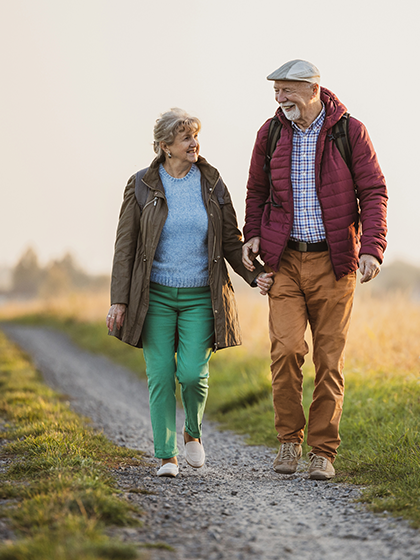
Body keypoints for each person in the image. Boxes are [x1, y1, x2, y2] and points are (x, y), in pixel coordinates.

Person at [241, 60, 388, 480]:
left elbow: (374, 191)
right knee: (286, 350)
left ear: (312, 90)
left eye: (286, 90)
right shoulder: (270, 134)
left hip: (334, 262)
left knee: (328, 359)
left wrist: (372, 248)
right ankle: (289, 440)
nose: (279, 99)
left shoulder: (349, 131)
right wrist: (253, 234)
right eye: (276, 91)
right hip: (285, 261)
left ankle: (323, 451)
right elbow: (256, 191)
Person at [108, 108, 273, 477]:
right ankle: (167, 456)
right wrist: (119, 300)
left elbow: (230, 240)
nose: (194, 143)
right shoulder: (141, 185)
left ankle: (192, 432)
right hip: (154, 298)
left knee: (193, 375)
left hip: (201, 296)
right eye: (186, 138)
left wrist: (256, 274)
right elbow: (125, 247)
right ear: (165, 146)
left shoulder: (211, 183)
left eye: (196, 136)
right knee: (161, 375)